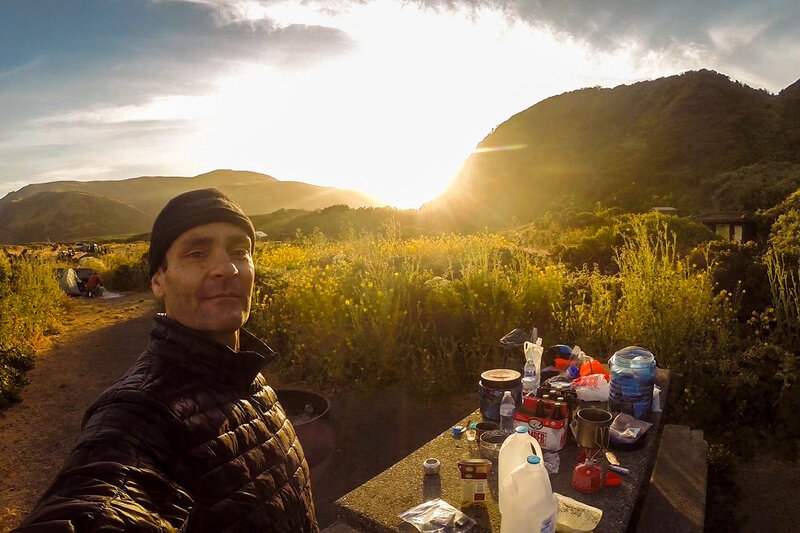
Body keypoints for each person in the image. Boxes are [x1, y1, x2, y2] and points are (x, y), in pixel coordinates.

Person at [16, 189, 318, 532]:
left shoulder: (247, 376)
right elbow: (101, 499)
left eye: (239, 251)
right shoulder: (139, 411)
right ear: (158, 280)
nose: (227, 268)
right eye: (196, 253)